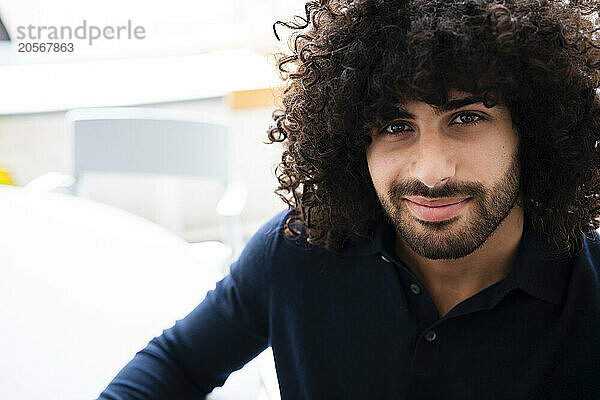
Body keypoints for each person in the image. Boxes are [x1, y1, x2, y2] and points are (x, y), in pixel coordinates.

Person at [98, 0, 600, 398]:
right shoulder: (298, 248)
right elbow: (177, 365)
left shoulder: (590, 290)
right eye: (395, 126)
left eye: (466, 118)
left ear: (531, 130)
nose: (430, 173)